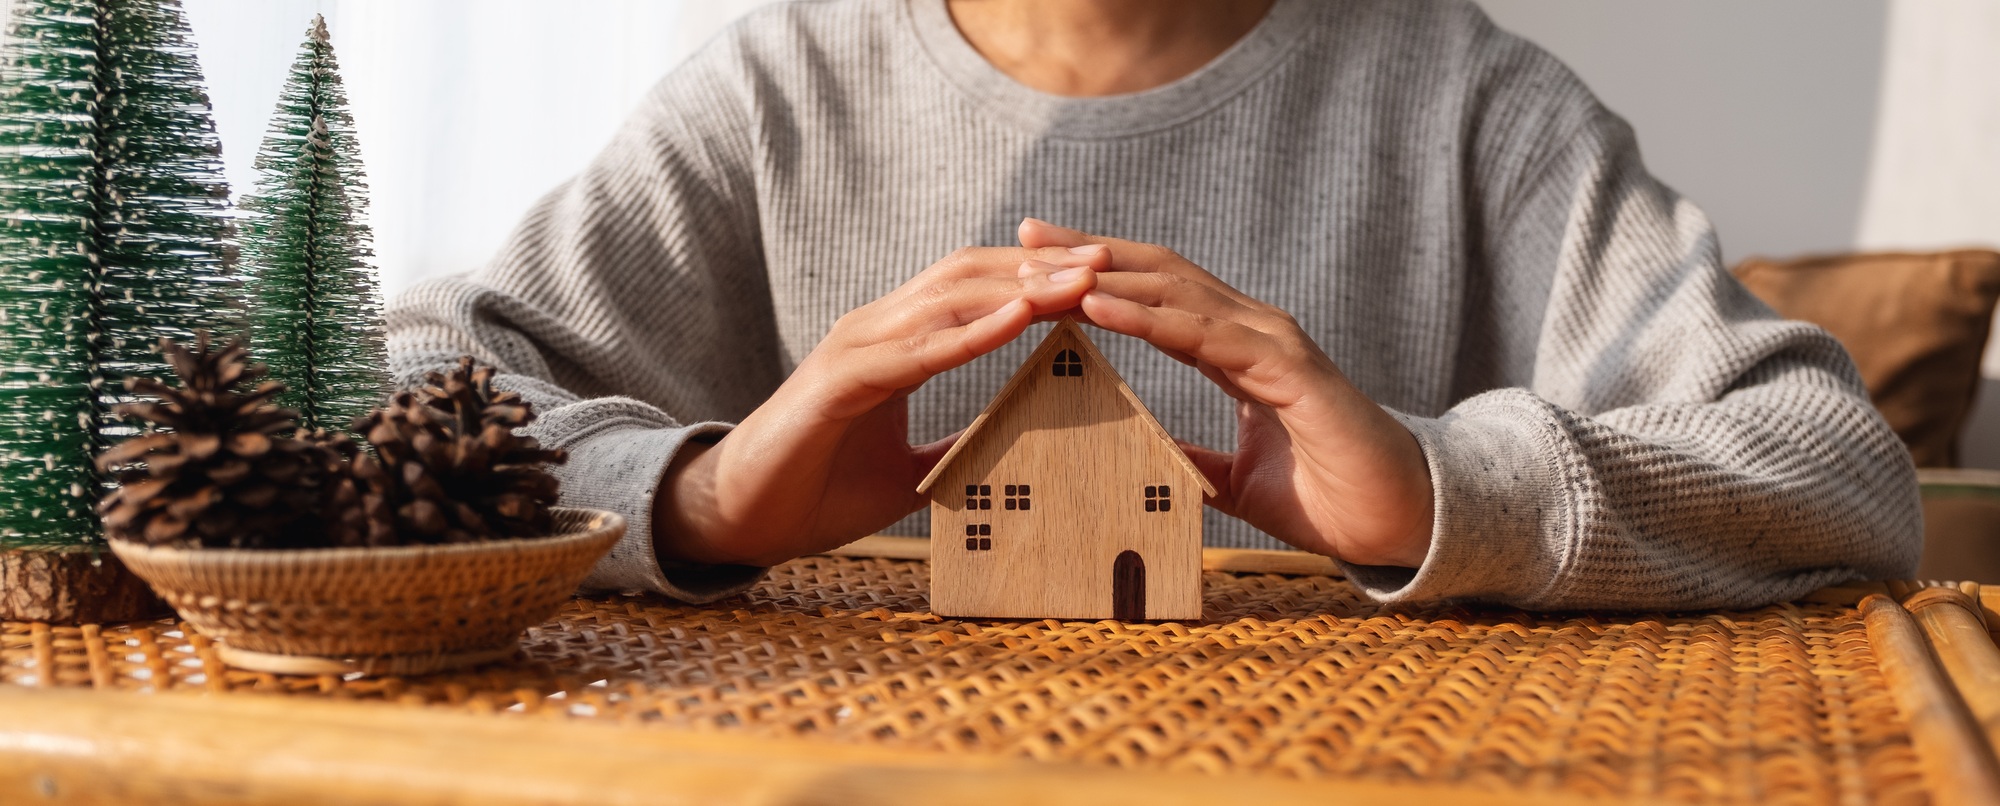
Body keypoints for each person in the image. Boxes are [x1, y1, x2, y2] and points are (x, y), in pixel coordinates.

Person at [386, 0, 1922, 610]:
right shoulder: (780, 87)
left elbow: (1840, 471)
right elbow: (395, 378)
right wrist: (703, 494)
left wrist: (1446, 487)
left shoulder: (1466, 100)